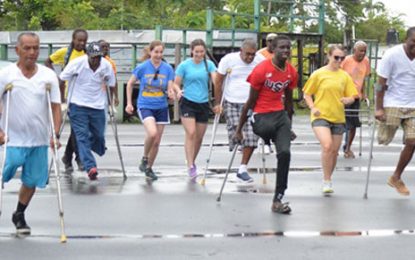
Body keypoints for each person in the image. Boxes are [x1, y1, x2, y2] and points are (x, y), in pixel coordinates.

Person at [0, 32, 61, 234]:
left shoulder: (48, 76)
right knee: (6, 171)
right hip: (12, 138)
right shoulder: (6, 74)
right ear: (17, 50)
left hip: (39, 139)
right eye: (27, 48)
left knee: (32, 180)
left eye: (36, 48)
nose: (32, 52)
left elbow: (55, 107)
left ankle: (19, 214)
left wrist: (56, 134)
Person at [235, 35, 298, 214]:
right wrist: (239, 130)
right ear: (274, 50)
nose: (285, 51)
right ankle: (270, 140)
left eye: (288, 48)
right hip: (261, 114)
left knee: (285, 153)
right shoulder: (262, 70)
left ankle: (278, 198)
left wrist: (289, 126)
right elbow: (250, 102)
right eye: (282, 48)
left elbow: (289, 103)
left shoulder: (291, 72)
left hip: (280, 115)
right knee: (267, 129)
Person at [303, 44, 358, 194]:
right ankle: (326, 181)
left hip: (338, 117)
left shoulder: (344, 76)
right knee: (327, 146)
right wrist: (312, 107)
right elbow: (307, 93)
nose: (339, 60)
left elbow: (352, 95)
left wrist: (349, 99)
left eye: (342, 58)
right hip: (320, 115)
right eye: (336, 57)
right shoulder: (319, 74)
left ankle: (328, 178)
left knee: (334, 151)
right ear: (328, 56)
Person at [59, 42, 116, 181]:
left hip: (97, 105)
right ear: (87, 55)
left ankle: (84, 152)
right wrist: (62, 101)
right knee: (81, 136)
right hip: (78, 105)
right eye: (93, 57)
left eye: (98, 57)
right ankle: (90, 167)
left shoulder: (106, 65)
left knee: (99, 137)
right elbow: (61, 79)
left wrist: (111, 103)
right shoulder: (76, 64)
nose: (96, 60)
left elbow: (112, 84)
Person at [213, 38, 262, 183]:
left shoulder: (260, 60)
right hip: (232, 101)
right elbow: (218, 81)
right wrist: (217, 103)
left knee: (253, 136)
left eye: (253, 54)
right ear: (241, 51)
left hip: (252, 103)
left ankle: (242, 168)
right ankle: (238, 141)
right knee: (238, 131)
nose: (250, 58)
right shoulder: (228, 60)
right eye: (247, 54)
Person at [125, 40, 175, 181]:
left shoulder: (168, 69)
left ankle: (149, 168)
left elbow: (169, 87)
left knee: (157, 141)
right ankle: (145, 158)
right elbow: (129, 84)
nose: (158, 55)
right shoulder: (142, 67)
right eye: (156, 52)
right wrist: (129, 103)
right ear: (150, 52)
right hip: (145, 105)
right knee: (152, 133)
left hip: (161, 106)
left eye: (161, 52)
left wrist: (171, 94)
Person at [376, 27, 415, 196]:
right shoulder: (392, 55)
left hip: (413, 105)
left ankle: (396, 176)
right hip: (392, 102)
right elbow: (380, 83)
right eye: (414, 41)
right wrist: (378, 107)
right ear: (407, 39)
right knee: (384, 139)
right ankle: (390, 131)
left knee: (413, 141)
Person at [45, 29, 88, 173]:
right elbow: (48, 61)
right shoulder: (65, 52)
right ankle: (79, 158)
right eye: (79, 40)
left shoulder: (88, 54)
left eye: (84, 41)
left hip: (85, 95)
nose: (81, 43)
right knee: (78, 128)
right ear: (73, 39)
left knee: (78, 129)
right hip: (70, 95)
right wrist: (56, 77)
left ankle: (68, 156)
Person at [173, 39, 217, 179]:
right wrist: (178, 91)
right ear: (192, 51)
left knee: (199, 137)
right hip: (188, 101)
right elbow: (176, 83)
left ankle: (191, 159)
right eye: (196, 52)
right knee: (191, 133)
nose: (199, 54)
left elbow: (216, 81)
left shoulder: (208, 65)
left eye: (202, 52)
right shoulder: (184, 65)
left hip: (203, 102)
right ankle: (190, 165)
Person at [341, 40, 371, 158]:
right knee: (341, 123)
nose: (362, 53)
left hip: (356, 96)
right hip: (343, 96)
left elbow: (364, 78)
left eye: (364, 51)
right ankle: (335, 146)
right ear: (354, 50)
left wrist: (364, 93)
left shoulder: (366, 61)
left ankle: (347, 148)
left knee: (353, 124)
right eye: (360, 51)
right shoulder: (346, 60)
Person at [98, 39, 119, 107]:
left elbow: (114, 80)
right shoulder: (92, 60)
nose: (105, 48)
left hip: (107, 94)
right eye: (103, 47)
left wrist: (116, 96)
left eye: (107, 47)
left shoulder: (111, 62)